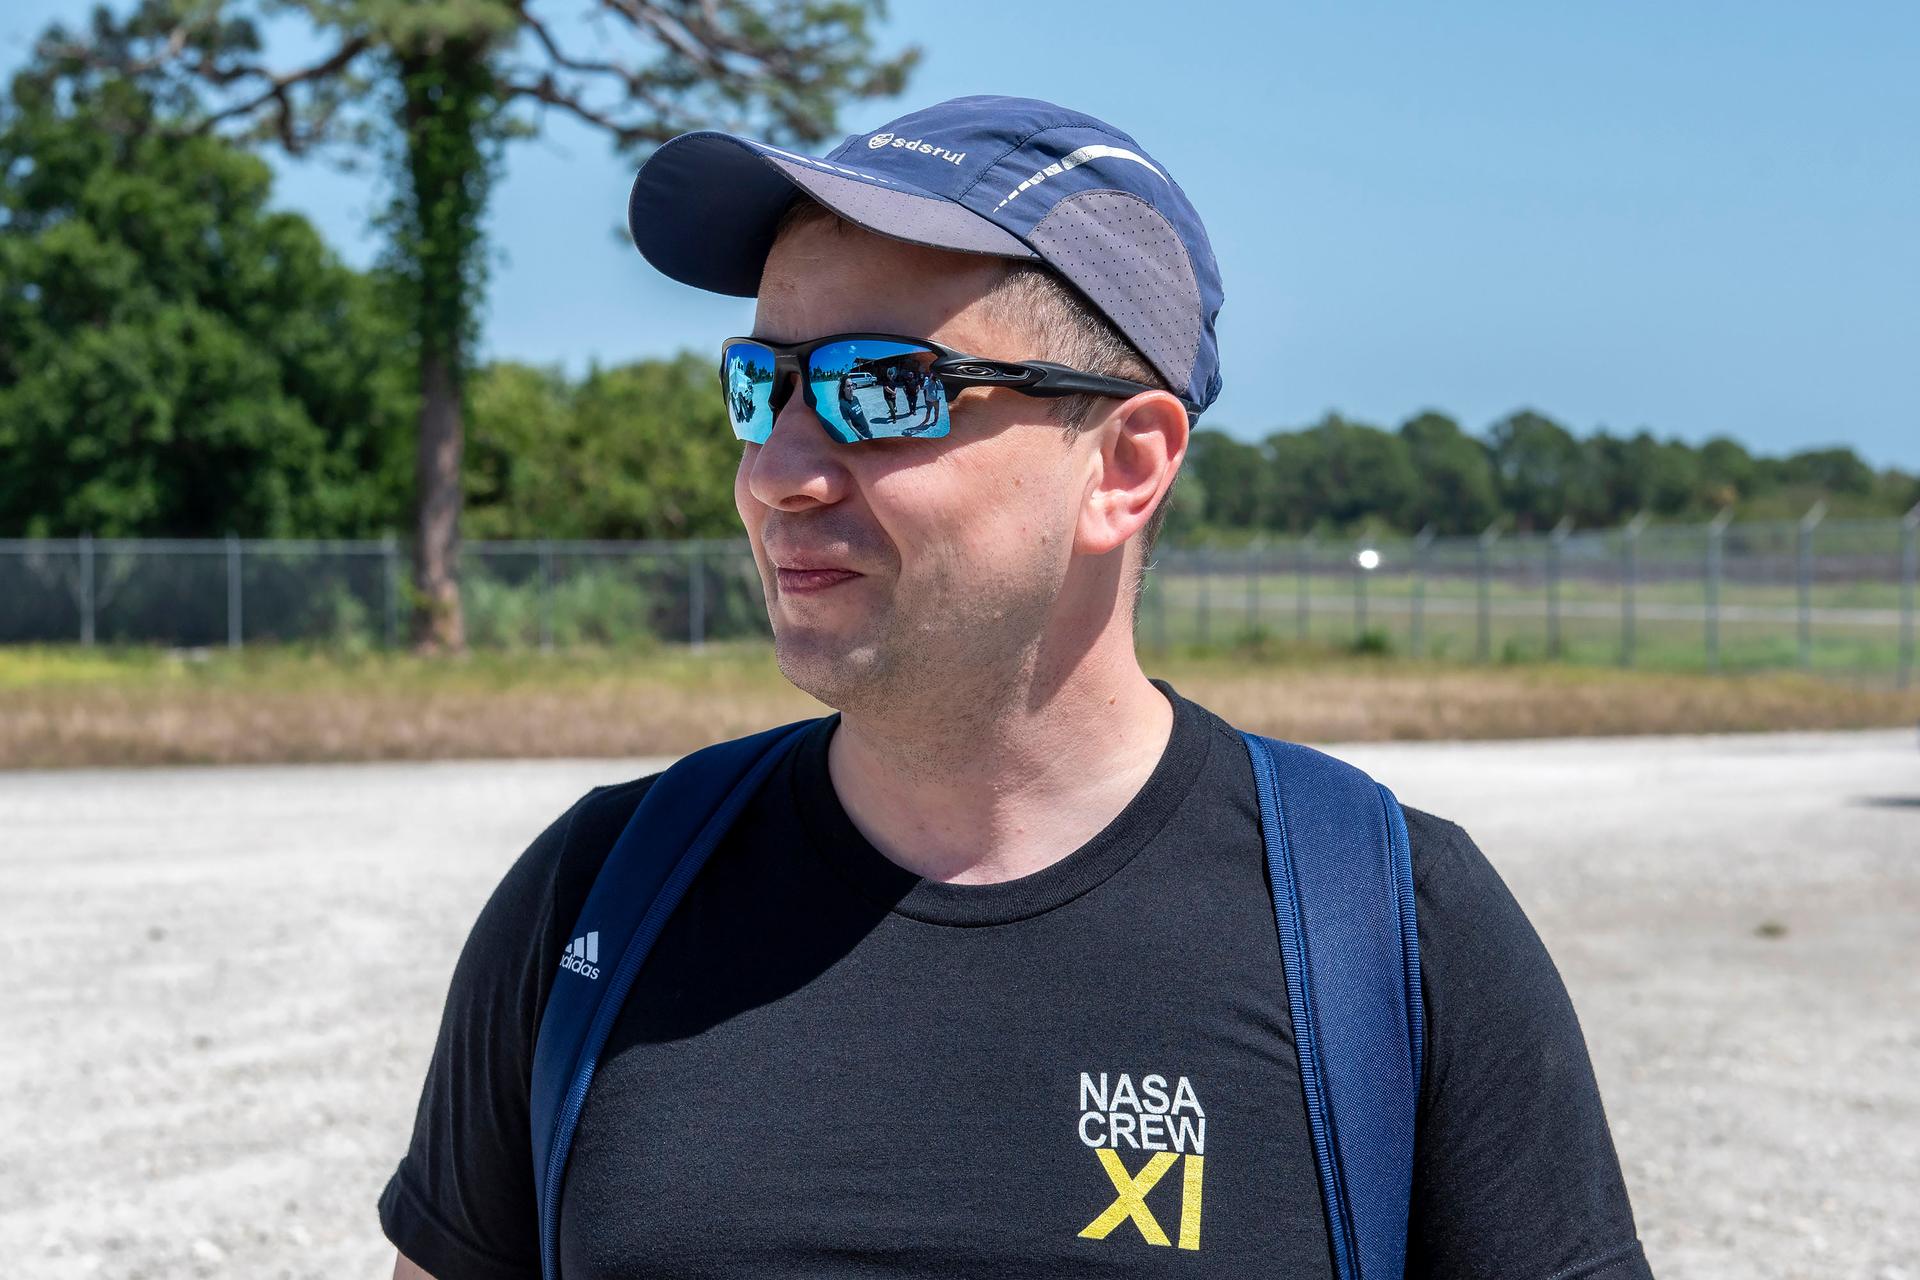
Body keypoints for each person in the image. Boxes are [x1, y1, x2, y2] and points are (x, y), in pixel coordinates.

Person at [379, 94, 1654, 1279]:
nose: (777, 471)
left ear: (1126, 465)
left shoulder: (1383, 928)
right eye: (760, 386)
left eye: (882, 388)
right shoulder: (603, 893)